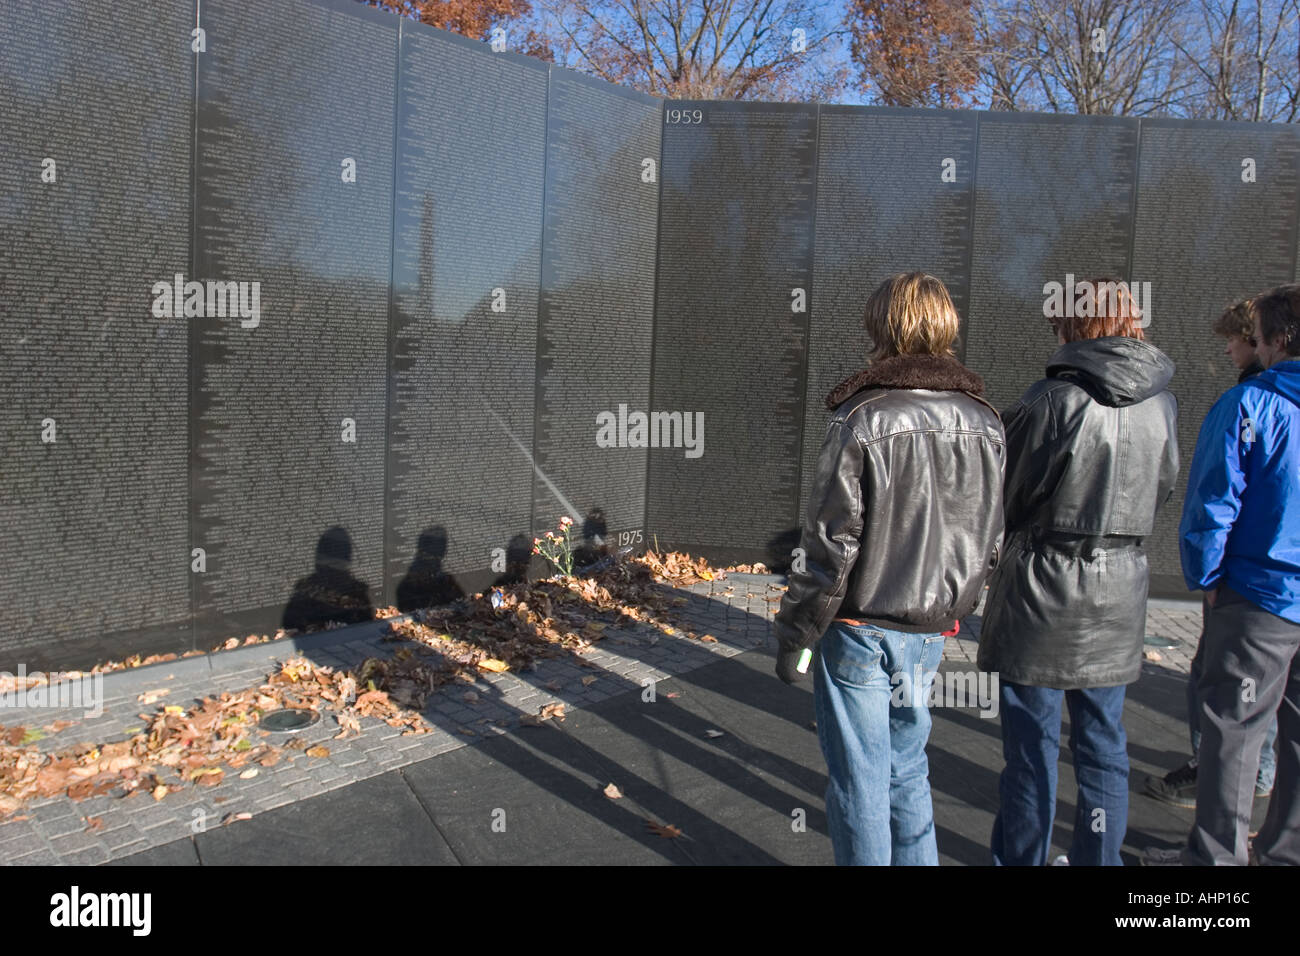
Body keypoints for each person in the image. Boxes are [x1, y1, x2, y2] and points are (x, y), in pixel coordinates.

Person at [773, 272, 1005, 866]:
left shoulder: (864, 416)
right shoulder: (985, 420)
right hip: (930, 629)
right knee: (906, 770)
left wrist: (797, 633)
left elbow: (830, 543)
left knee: (861, 781)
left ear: (881, 327)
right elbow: (992, 535)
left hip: (859, 627)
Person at [977, 278, 1179, 866]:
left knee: (1031, 748)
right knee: (1103, 743)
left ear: (1073, 323)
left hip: (1043, 587)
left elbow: (1006, 496)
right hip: (1118, 585)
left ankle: (1023, 860)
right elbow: (1160, 487)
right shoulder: (1161, 403)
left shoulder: (1050, 400)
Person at [1149, 284, 1300, 866]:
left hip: (1260, 598)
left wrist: (1208, 580)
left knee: (1233, 735)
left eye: (1257, 334)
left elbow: (1213, 503)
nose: (1250, 344)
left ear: (1278, 339)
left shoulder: (1250, 406)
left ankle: (1216, 866)